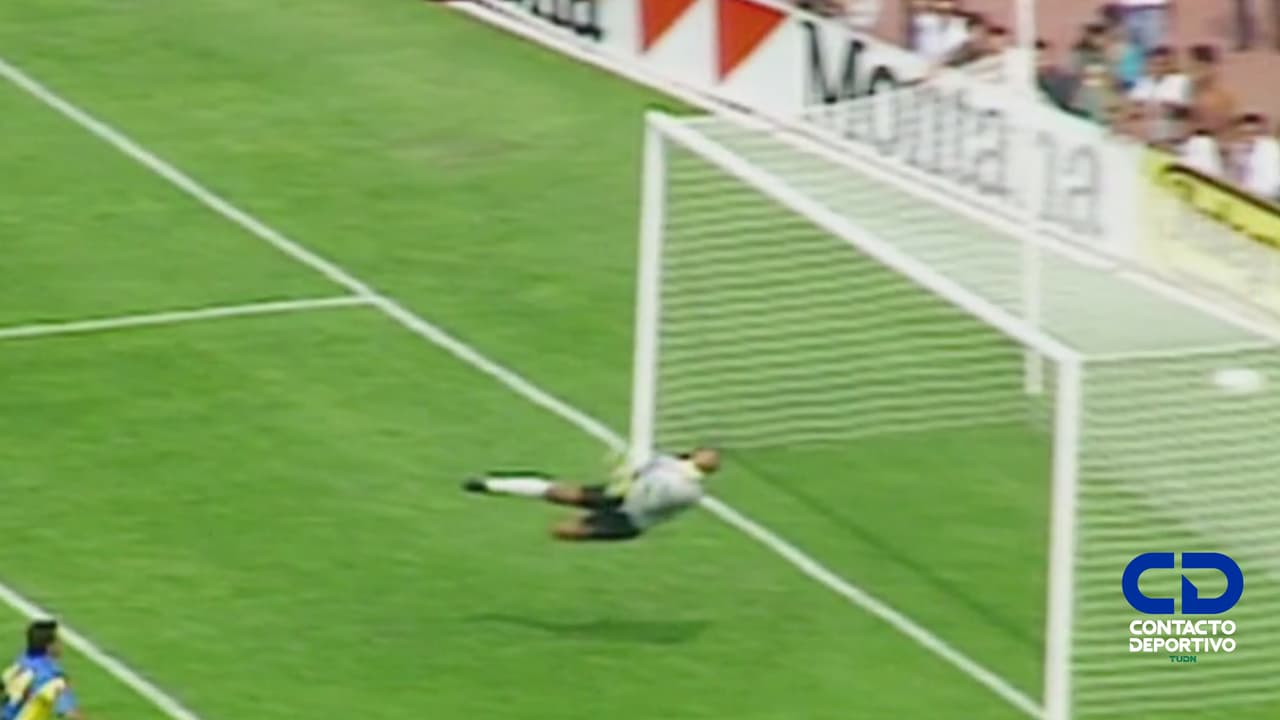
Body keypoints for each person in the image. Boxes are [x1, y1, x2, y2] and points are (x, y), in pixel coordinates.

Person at [463, 448, 721, 541]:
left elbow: (650, 504)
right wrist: (627, 476)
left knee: (561, 531)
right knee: (557, 491)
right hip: (617, 497)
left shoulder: (688, 492)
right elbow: (639, 471)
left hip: (628, 519)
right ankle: (489, 485)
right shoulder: (667, 461)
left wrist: (630, 482)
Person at [1, 621, 84, 720]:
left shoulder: (19, 664)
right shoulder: (53, 677)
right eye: (58, 641)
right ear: (49, 646)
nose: (61, 644)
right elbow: (71, 712)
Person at [1231, 113, 1280, 200]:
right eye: (1244, 133)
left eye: (1254, 133)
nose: (1249, 137)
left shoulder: (1268, 148)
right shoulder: (1236, 151)